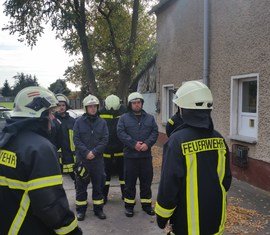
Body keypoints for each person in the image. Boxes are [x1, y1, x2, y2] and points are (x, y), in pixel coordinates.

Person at [0, 86, 82, 235]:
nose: (52, 118)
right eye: (50, 113)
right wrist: (72, 231)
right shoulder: (40, 149)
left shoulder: (6, 140)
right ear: (39, 113)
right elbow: (51, 205)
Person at [155, 81, 232, 235]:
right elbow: (226, 180)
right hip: (215, 220)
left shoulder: (177, 141)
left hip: (187, 225)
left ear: (183, 109)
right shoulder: (219, 139)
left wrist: (162, 217)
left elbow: (169, 186)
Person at [117, 92, 158, 217]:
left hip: (145, 157)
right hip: (130, 157)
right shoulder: (123, 118)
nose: (136, 105)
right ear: (130, 104)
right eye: (134, 103)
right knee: (129, 183)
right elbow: (120, 133)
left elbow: (155, 132)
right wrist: (133, 144)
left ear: (142, 103)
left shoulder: (150, 118)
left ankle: (146, 205)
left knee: (146, 182)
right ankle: (129, 207)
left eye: (139, 102)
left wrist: (147, 144)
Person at [73, 94, 109, 221]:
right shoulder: (78, 122)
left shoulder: (102, 122)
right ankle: (81, 211)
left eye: (95, 106)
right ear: (86, 108)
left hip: (97, 160)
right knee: (81, 186)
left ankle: (98, 209)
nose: (93, 108)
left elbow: (105, 140)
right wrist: (86, 152)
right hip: (83, 160)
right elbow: (76, 139)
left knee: (98, 186)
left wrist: (94, 152)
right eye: (90, 106)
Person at [99, 94, 126, 203]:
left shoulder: (124, 112)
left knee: (123, 176)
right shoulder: (100, 113)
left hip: (121, 149)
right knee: (105, 176)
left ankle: (126, 195)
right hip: (106, 150)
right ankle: (104, 196)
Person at [55, 94, 76, 180]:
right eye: (59, 105)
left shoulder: (72, 121)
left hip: (70, 154)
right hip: (57, 154)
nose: (61, 107)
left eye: (63, 105)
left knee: (75, 178)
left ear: (66, 106)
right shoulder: (53, 120)